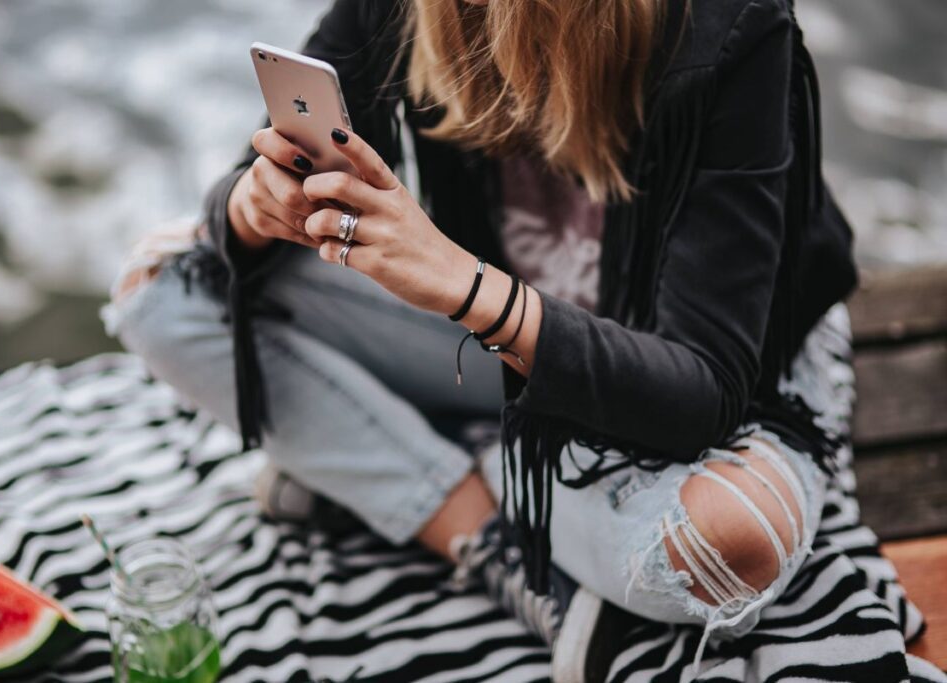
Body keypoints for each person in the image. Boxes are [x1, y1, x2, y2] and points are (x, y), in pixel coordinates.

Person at [104, 0, 858, 679]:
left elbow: (701, 388)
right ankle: (487, 530)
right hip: (499, 337)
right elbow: (234, 214)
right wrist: (254, 203)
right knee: (159, 289)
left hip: (712, 353)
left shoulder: (731, 26)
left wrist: (464, 285)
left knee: (727, 546)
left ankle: (394, 462)